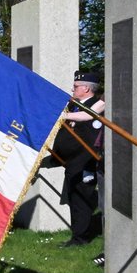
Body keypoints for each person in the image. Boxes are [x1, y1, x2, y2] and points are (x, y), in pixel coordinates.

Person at [48, 71, 105, 247]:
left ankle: (80, 238)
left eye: (76, 87)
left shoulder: (98, 104)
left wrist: (61, 116)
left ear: (86, 88)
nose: (72, 89)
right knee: (74, 199)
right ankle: (77, 235)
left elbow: (87, 118)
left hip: (85, 161)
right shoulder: (73, 105)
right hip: (71, 162)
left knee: (81, 200)